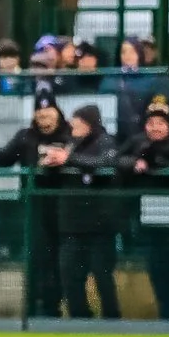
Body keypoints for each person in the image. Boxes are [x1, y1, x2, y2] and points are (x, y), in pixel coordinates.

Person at [0, 91, 70, 318]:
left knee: (61, 258)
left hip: (64, 206)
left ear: (57, 113)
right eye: (40, 114)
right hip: (34, 206)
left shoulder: (69, 135)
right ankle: (37, 305)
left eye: (48, 114)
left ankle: (55, 305)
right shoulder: (26, 137)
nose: (44, 119)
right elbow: (5, 156)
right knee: (37, 256)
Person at [119, 95, 169, 320]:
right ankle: (166, 317)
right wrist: (134, 163)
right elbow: (116, 159)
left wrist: (157, 164)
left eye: (160, 123)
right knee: (157, 272)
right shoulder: (137, 143)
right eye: (151, 123)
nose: (155, 127)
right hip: (150, 221)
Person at [53, 104, 123, 320]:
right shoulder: (70, 143)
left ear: (89, 124)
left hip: (100, 224)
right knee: (69, 273)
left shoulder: (106, 142)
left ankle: (112, 318)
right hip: (72, 223)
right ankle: (79, 317)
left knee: (102, 273)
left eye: (78, 124)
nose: (73, 128)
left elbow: (105, 163)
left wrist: (69, 160)